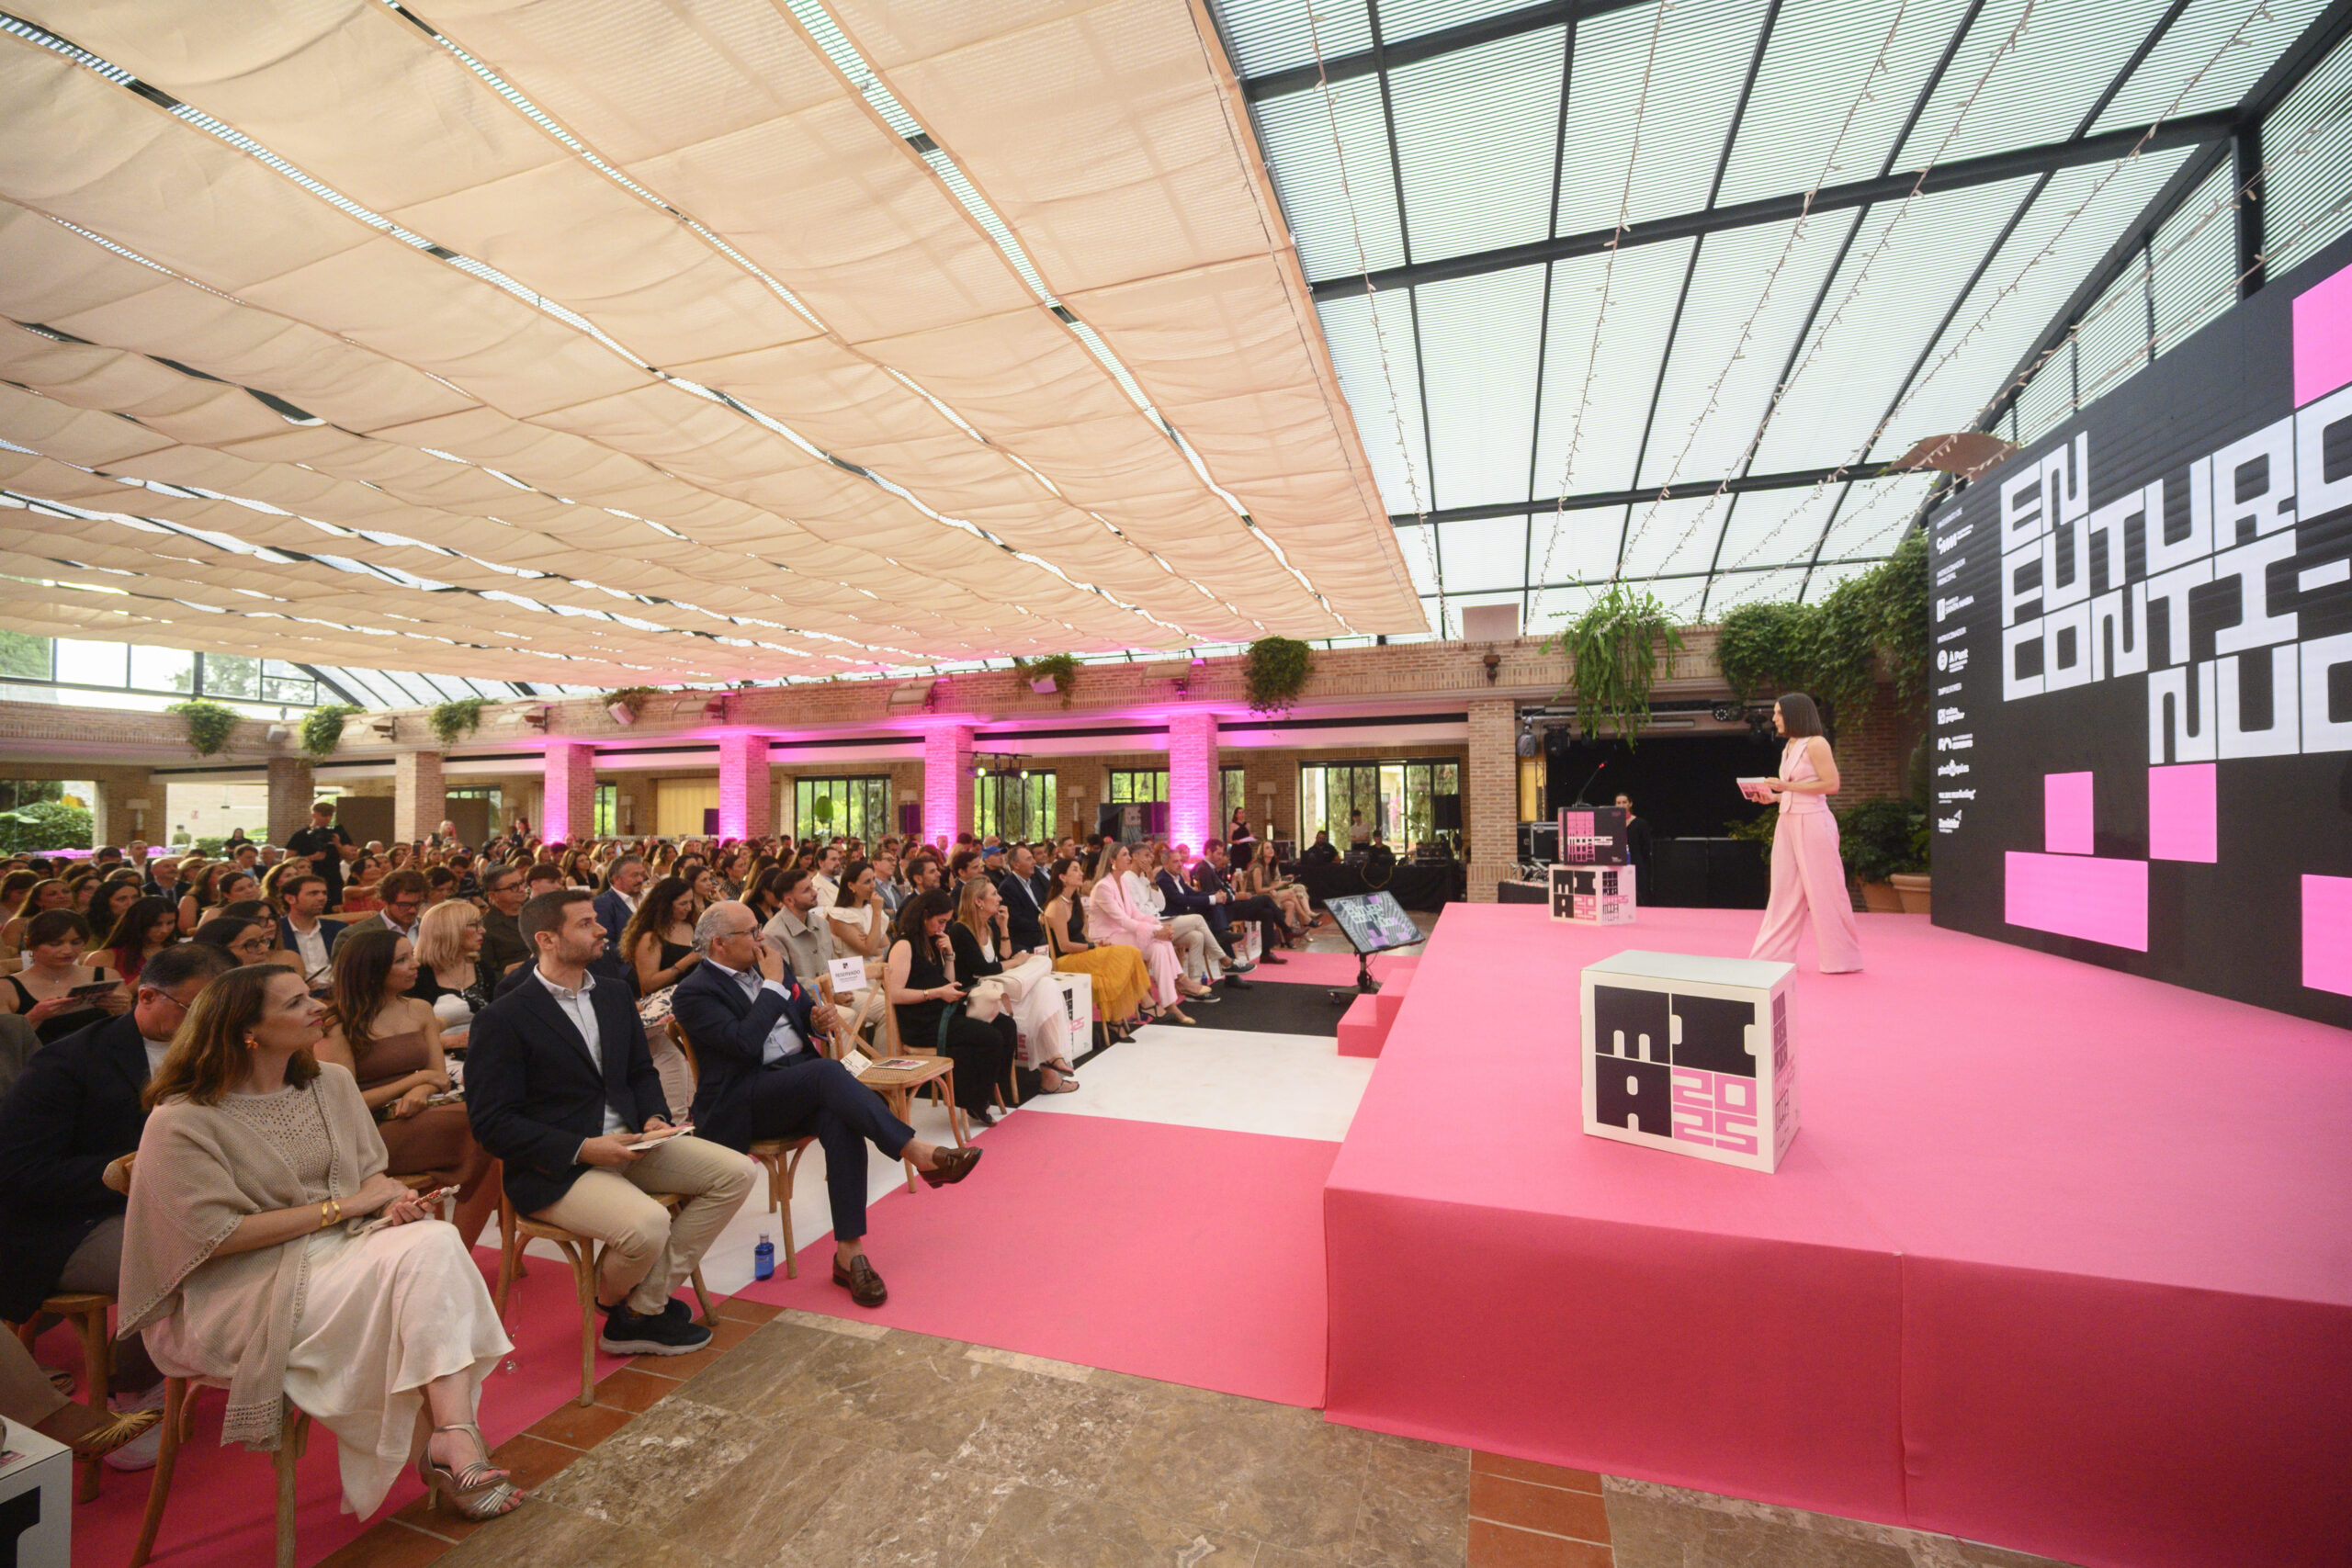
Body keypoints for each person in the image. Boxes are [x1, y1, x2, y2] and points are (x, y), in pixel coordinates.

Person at [120, 964, 519, 1520]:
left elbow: (370, 1173)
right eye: (294, 1003)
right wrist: (346, 1207)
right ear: (246, 1030)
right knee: (426, 1263)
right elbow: (217, 1237)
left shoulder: (329, 1083)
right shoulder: (181, 1118)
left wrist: (388, 1202)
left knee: (431, 1241)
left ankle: (453, 1436)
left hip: (342, 1247)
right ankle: (453, 1442)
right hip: (245, 1283)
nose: (318, 1007)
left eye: (310, 995)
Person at [466, 889, 752, 1355]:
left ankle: (639, 1308)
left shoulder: (613, 993)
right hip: (557, 1166)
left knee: (737, 1172)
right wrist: (582, 1148)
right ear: (547, 940)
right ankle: (623, 1304)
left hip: (631, 1142)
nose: (602, 929)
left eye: (597, 920)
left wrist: (655, 1117)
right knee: (648, 1224)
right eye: (585, 924)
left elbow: (639, 1071)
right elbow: (492, 1124)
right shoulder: (505, 1016)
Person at [673, 902, 980, 1308]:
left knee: (840, 1115)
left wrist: (817, 1020)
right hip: (745, 1098)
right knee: (828, 1074)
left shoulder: (767, 966)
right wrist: (772, 986)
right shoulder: (695, 991)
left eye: (759, 929)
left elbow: (803, 1014)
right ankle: (917, 1152)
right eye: (751, 932)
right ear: (720, 943)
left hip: (797, 1084)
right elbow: (744, 1045)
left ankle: (849, 1254)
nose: (761, 938)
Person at [0, 942, 233, 1472]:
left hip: (177, 1204)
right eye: (195, 1009)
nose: (211, 1023)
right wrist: (130, 1172)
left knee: (259, 1235)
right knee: (200, 1251)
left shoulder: (223, 1051)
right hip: (68, 1223)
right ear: (147, 997)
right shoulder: (71, 1060)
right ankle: (127, 1386)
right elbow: (19, 1172)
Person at [319, 930, 498, 1248]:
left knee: (494, 1124)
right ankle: (459, 1250)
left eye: (412, 955)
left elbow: (439, 1077)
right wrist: (413, 1082)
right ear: (372, 969)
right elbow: (345, 1104)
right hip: (369, 1130)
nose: (415, 965)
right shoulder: (337, 1023)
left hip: (421, 1113)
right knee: (487, 1128)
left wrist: (422, 1089)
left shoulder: (419, 1008)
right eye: (402, 960)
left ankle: (460, 1249)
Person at [1748, 693, 1863, 974]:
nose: (1774, 718)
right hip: (1787, 820)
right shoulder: (1790, 746)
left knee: (1826, 890)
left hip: (1813, 822)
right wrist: (1774, 797)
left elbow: (1831, 785)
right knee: (1783, 890)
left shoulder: (1816, 743)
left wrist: (1786, 787)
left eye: (1778, 713)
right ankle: (1771, 957)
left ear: (1795, 714)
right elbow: (1799, 788)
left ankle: (1842, 959)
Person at [885, 889, 1019, 1125]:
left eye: (946, 922)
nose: (943, 927)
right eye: (941, 921)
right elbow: (894, 994)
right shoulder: (904, 945)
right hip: (922, 1022)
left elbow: (947, 981)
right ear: (924, 915)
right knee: (990, 1037)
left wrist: (949, 956)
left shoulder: (932, 940)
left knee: (1006, 1025)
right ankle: (975, 1100)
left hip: (943, 1011)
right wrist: (935, 993)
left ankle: (986, 1089)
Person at [948, 875, 1076, 1091]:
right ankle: (1051, 1071)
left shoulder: (990, 926)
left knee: (1046, 986)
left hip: (1000, 990)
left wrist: (1004, 927)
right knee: (1040, 980)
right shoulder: (960, 930)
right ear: (978, 901)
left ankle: (1052, 1064)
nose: (999, 898)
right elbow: (984, 969)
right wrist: (1017, 962)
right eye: (994, 894)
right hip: (980, 998)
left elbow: (1003, 956)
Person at [1040, 856, 1151, 1042]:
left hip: (1083, 953)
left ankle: (1117, 1020)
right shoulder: (1055, 906)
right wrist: (1092, 946)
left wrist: (1097, 944)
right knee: (1126, 954)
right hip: (1066, 960)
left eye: (1079, 869)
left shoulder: (1075, 902)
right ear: (1062, 877)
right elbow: (1064, 945)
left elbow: (1084, 935)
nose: (1081, 873)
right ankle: (1143, 1005)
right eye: (1075, 870)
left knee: (1121, 959)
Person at [1087, 842, 1193, 1022]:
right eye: (1124, 855)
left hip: (1122, 933)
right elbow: (1123, 919)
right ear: (1112, 861)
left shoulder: (1121, 882)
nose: (1129, 858)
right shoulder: (1103, 887)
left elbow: (1134, 913)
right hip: (1106, 938)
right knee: (1160, 939)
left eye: (1128, 854)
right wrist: (1155, 931)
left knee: (1160, 946)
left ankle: (1169, 1003)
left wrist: (1157, 926)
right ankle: (1179, 982)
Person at [4, 910, 130, 1044]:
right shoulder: (6, 988)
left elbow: (128, 1032)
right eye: (55, 944)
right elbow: (5, 1045)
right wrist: (34, 1017)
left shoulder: (107, 976)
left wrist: (121, 1010)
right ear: (30, 943)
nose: (67, 951)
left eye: (76, 942)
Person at [409, 899, 495, 1044]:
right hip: (438, 1053)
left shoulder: (481, 968)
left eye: (480, 923)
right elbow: (406, 1036)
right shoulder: (416, 975)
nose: (482, 930)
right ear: (449, 931)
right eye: (473, 925)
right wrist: (452, 1041)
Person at [1191, 840, 1289, 964]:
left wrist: (1235, 894)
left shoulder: (1211, 868)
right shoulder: (1204, 869)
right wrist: (1236, 897)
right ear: (1209, 851)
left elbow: (1222, 890)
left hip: (1229, 905)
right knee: (1265, 899)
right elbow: (1212, 896)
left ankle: (1266, 953)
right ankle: (1286, 930)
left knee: (1267, 913)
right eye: (1219, 854)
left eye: (1222, 854)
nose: (1221, 857)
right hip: (1225, 910)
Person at [276, 873, 345, 991]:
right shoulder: (277, 931)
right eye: (313, 893)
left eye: (324, 893)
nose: (322, 898)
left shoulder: (338, 929)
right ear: (290, 899)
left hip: (338, 992)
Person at [286, 801, 356, 911]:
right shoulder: (301, 835)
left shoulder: (336, 833)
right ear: (314, 815)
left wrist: (337, 844)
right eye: (324, 815)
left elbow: (350, 857)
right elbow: (287, 860)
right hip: (308, 878)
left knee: (334, 910)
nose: (327, 819)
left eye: (330, 816)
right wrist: (311, 858)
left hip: (333, 879)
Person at [101, 895, 182, 986]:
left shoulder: (180, 951)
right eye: (157, 924)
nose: (165, 930)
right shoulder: (107, 956)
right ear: (138, 923)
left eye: (170, 923)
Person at [993, 843, 1052, 953]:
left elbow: (1042, 904)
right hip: (1026, 939)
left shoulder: (1033, 881)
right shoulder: (1007, 887)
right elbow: (1015, 921)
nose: (1034, 862)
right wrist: (1043, 924)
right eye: (1029, 859)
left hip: (1041, 931)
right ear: (1016, 865)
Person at [477, 863, 533, 976]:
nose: (522, 889)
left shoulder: (536, 912)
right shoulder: (487, 927)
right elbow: (486, 973)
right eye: (513, 887)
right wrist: (505, 973)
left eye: (521, 883)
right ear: (493, 895)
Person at [345, 869, 427, 945]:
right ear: (385, 901)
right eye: (404, 905)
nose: (412, 910)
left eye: (418, 904)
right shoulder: (354, 936)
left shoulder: (429, 928)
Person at [594, 854, 648, 956]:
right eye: (634, 875)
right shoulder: (603, 904)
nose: (640, 880)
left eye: (642, 874)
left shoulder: (648, 899)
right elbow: (605, 943)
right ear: (616, 879)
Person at [1616, 792, 1657, 885]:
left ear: (1630, 804)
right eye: (1618, 803)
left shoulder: (1640, 823)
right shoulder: (1612, 824)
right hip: (1618, 864)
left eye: (1624, 802)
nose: (1621, 805)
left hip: (1636, 864)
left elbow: (1646, 848)